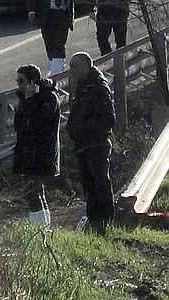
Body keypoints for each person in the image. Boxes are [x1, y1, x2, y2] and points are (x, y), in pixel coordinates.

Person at [66, 52, 116, 234]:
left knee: (100, 184)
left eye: (74, 66)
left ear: (86, 65)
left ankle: (105, 222)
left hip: (95, 145)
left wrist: (80, 129)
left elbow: (108, 120)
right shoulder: (85, 85)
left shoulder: (97, 87)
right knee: (90, 187)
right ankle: (95, 221)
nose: (70, 70)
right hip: (84, 145)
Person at [13, 64, 60, 228]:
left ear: (32, 82)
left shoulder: (49, 98)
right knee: (36, 191)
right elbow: (19, 125)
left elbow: (39, 123)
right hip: (27, 151)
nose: (18, 84)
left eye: (21, 80)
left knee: (32, 191)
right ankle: (44, 227)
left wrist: (30, 100)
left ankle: (39, 228)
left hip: (40, 152)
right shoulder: (24, 98)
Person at [27, 0, 74, 76]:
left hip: (62, 13)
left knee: (58, 45)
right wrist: (31, 10)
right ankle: (56, 68)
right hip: (45, 14)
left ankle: (56, 73)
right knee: (49, 45)